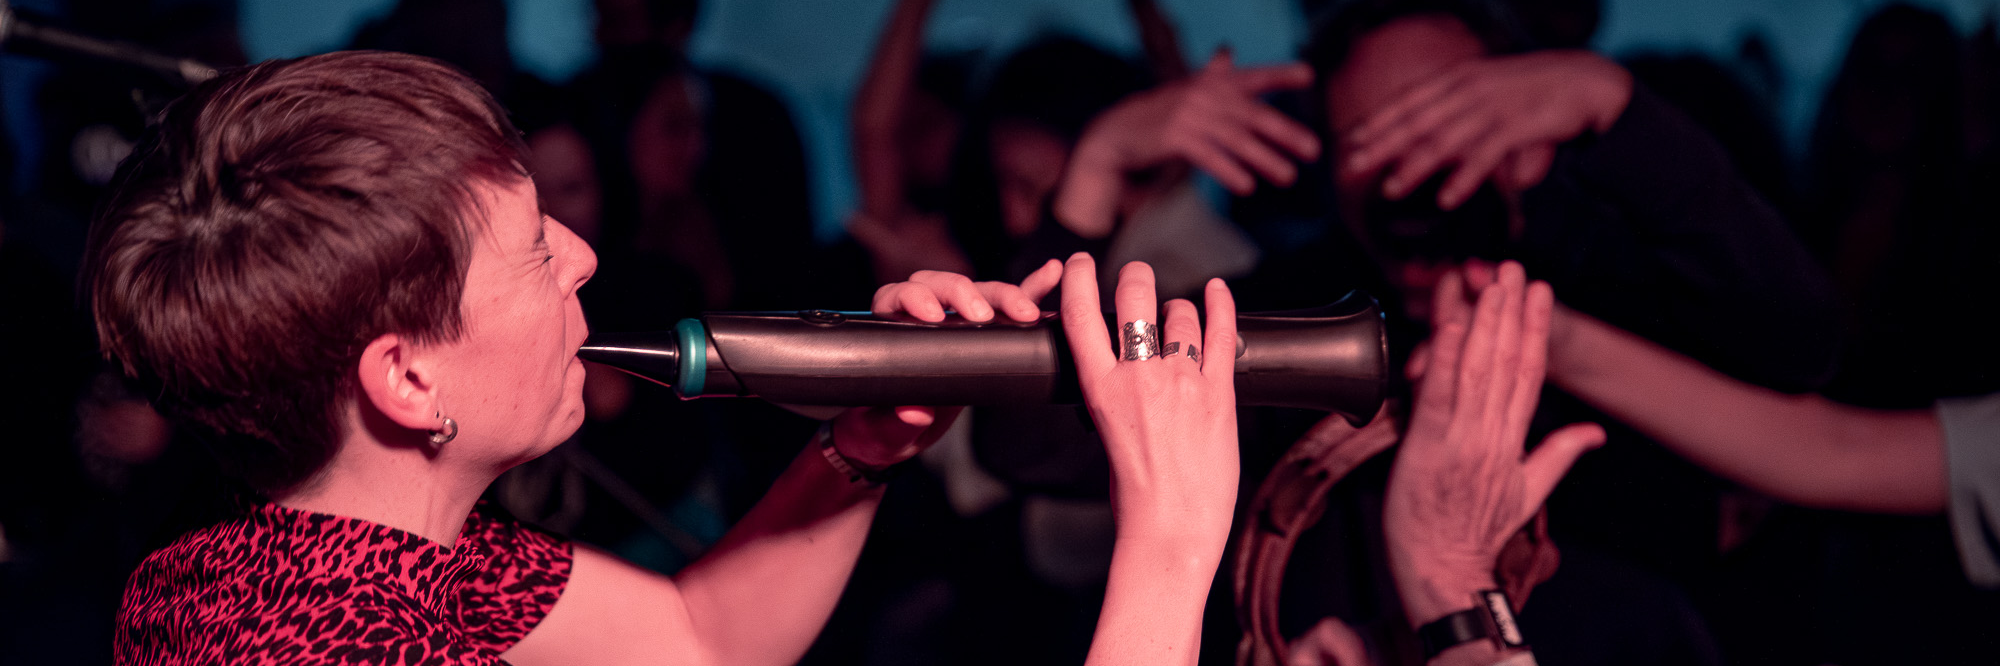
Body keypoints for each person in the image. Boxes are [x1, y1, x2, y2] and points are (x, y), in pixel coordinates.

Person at [90, 51, 1248, 666]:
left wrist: (862, 443)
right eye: (535, 253)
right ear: (406, 379)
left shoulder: (305, 558)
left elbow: (698, 640)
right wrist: (1171, 544)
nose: (588, 258)